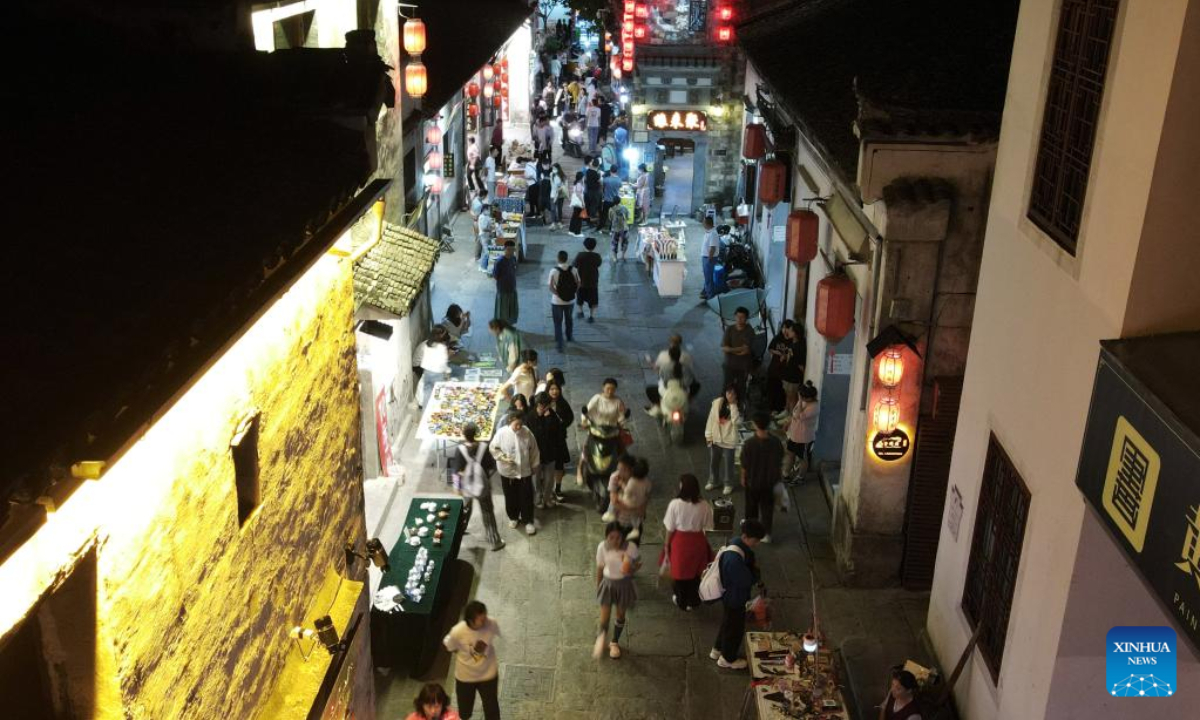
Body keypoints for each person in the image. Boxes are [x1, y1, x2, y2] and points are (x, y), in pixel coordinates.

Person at [711, 519, 765, 670]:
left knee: (727, 622)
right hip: (735, 597)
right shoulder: (734, 560)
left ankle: (718, 649)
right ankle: (727, 658)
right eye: (755, 540)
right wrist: (755, 573)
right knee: (734, 628)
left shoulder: (735, 542)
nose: (756, 544)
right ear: (746, 536)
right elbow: (746, 580)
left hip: (729, 594)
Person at [662, 474, 714, 610]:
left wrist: (667, 545)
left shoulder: (675, 504)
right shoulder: (705, 505)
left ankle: (681, 599)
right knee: (696, 573)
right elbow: (708, 526)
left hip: (680, 543)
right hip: (698, 542)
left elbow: (669, 528)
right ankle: (694, 600)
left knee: (679, 573)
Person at [443, 602, 502, 720]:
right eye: (481, 619)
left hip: (488, 675)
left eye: (485, 616)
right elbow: (449, 646)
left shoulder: (491, 623)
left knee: (492, 709)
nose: (485, 621)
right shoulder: (457, 631)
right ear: (470, 621)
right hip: (466, 677)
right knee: (465, 710)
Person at [452, 423, 504, 551]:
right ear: (476, 434)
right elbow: (491, 467)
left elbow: (456, 470)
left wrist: (457, 487)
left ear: (464, 435)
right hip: (482, 487)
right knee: (487, 512)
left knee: (464, 510)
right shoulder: (483, 447)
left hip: (466, 487)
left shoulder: (460, 449)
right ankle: (494, 541)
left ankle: (459, 533)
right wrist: (483, 477)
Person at [594, 521, 641, 660]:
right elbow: (600, 567)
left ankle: (614, 642)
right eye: (611, 537)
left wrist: (630, 567)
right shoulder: (602, 547)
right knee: (604, 616)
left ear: (623, 537)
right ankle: (601, 638)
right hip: (608, 584)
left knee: (620, 615)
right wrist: (598, 586)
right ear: (606, 537)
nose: (615, 541)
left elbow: (638, 564)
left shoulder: (630, 547)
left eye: (618, 537)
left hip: (624, 585)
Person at [490, 412, 540, 535]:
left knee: (526, 497)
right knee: (510, 496)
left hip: (524, 471)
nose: (519, 427)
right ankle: (513, 517)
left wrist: (534, 466)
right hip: (508, 472)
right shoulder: (501, 433)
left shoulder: (527, 432)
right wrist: (502, 457)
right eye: (517, 424)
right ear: (510, 421)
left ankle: (528, 520)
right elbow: (494, 448)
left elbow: (534, 450)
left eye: (521, 424)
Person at [740, 413, 784, 542]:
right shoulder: (776, 443)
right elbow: (779, 461)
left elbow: (744, 465)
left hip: (753, 482)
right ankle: (767, 534)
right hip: (769, 482)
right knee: (767, 508)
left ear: (754, 425)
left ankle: (751, 532)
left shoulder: (749, 444)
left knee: (751, 508)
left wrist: (743, 478)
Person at [530, 392, 567, 509]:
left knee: (549, 478)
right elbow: (536, 434)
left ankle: (547, 498)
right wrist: (544, 419)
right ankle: (537, 498)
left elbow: (557, 433)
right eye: (540, 405)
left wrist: (548, 419)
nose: (542, 408)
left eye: (545, 406)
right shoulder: (531, 416)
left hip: (550, 453)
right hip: (536, 454)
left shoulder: (552, 416)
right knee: (536, 478)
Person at [704, 385, 741, 494]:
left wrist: (733, 405)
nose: (730, 395)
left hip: (729, 440)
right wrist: (708, 436)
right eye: (728, 392)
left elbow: (737, 422)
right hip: (716, 438)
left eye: (733, 393)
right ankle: (714, 481)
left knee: (729, 464)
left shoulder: (738, 405)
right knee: (714, 462)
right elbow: (710, 419)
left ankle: (728, 484)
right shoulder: (717, 403)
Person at [607, 455, 650, 540]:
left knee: (633, 547)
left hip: (635, 520)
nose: (619, 472)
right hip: (619, 520)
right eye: (618, 468)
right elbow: (614, 500)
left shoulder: (640, 480)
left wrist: (642, 507)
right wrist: (636, 509)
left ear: (631, 470)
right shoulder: (615, 477)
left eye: (623, 470)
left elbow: (647, 496)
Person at [543, 380, 573, 502]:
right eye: (552, 389)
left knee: (559, 466)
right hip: (546, 441)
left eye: (556, 389)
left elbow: (570, 418)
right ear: (548, 390)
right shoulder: (543, 403)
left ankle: (558, 489)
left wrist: (562, 425)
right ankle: (547, 491)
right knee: (546, 466)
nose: (554, 391)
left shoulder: (563, 403)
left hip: (559, 440)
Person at [768, 320, 805, 417]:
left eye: (790, 330)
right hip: (786, 375)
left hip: (793, 377)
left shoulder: (799, 346)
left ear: (796, 333)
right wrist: (784, 356)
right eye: (784, 328)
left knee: (792, 398)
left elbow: (800, 365)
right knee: (787, 396)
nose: (787, 331)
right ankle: (786, 411)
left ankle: (790, 418)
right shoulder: (792, 343)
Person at [784, 381, 819, 482]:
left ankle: (801, 477)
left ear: (810, 397)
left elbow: (799, 415)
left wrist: (799, 401)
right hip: (794, 435)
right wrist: (788, 422)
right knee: (790, 454)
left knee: (802, 458)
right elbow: (794, 414)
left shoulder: (814, 407)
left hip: (804, 438)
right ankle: (786, 473)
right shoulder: (804, 401)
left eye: (803, 397)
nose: (802, 399)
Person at [721, 307, 756, 407]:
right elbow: (724, 348)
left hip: (743, 366)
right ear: (735, 317)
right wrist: (738, 349)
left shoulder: (749, 331)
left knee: (741, 387)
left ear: (746, 318)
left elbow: (745, 350)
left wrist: (731, 349)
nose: (739, 319)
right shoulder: (730, 329)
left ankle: (740, 408)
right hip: (729, 364)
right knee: (726, 387)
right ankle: (723, 407)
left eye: (742, 317)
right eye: (738, 317)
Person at [548, 250, 580, 352]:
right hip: (570, 301)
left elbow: (551, 287)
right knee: (569, 320)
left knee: (557, 322)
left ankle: (559, 343)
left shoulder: (553, 271)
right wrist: (573, 292)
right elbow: (579, 283)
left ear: (558, 259)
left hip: (557, 302)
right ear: (567, 258)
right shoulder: (574, 269)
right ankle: (569, 336)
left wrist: (559, 294)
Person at [414, 325, 452, 407]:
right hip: (425, 369)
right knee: (440, 388)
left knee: (426, 387)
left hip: (426, 370)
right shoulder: (439, 347)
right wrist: (447, 372)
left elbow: (426, 362)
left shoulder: (429, 344)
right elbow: (443, 364)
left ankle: (423, 403)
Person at [572, 236, 603, 322]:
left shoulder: (580, 255)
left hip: (581, 282)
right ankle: (591, 316)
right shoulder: (597, 256)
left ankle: (581, 312)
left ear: (584, 246)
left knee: (580, 297)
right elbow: (599, 264)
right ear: (594, 246)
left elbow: (574, 264)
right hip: (593, 282)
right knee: (592, 299)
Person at [492, 240, 519, 326]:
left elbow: (514, 270)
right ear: (504, 249)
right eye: (509, 249)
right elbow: (495, 276)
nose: (511, 252)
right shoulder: (499, 262)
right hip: (503, 290)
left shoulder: (513, 258)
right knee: (502, 311)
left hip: (512, 288)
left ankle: (509, 325)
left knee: (511, 310)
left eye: (512, 249)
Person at [700, 216, 719, 300]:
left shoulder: (713, 234)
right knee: (707, 277)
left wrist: (709, 259)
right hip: (706, 257)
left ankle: (710, 297)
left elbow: (712, 248)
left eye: (703, 222)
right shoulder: (708, 232)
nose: (702, 223)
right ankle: (705, 292)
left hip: (709, 258)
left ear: (707, 223)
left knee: (709, 278)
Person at [584, 158, 602, 227]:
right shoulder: (596, 173)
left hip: (588, 191)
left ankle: (589, 222)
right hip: (594, 192)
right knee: (593, 207)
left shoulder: (588, 171)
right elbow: (600, 182)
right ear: (597, 165)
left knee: (588, 206)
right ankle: (592, 223)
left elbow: (585, 180)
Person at [568, 171, 586, 237]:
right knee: (579, 217)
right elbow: (579, 194)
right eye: (583, 176)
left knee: (574, 216)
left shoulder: (576, 183)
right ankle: (577, 232)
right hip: (579, 202)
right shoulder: (579, 184)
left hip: (575, 202)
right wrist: (583, 202)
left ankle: (571, 230)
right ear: (581, 177)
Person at [550, 164, 567, 229]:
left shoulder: (562, 176)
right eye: (553, 168)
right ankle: (553, 223)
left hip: (560, 195)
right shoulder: (551, 174)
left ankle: (559, 222)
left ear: (558, 168)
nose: (553, 170)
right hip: (553, 194)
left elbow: (563, 185)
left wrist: (560, 188)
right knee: (553, 209)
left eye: (555, 168)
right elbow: (552, 185)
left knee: (559, 209)